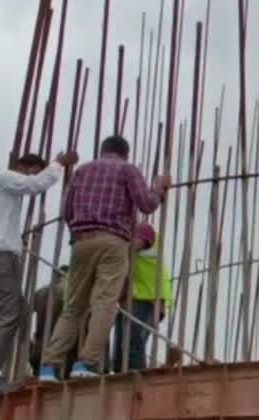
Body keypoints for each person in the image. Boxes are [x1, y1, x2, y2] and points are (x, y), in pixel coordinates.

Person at [39, 135, 171, 382]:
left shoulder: (82, 171)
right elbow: (146, 204)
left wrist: (80, 233)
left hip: (81, 241)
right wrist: (158, 188)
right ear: (125, 153)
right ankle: (86, 363)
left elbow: (68, 211)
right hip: (113, 242)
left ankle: (48, 365)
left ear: (103, 150)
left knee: (73, 307)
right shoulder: (127, 170)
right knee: (103, 305)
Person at [0, 150, 77, 393]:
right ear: (25, 167)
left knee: (10, 312)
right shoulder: (4, 177)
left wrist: (15, 243)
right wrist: (58, 165)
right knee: (9, 314)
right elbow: (36, 185)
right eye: (34, 170)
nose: (34, 175)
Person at [112, 222, 173, 372]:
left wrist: (105, 250)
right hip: (134, 299)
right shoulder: (123, 241)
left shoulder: (143, 229)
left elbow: (132, 247)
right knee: (119, 349)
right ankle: (121, 378)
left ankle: (137, 381)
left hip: (149, 299)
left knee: (133, 344)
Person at [29, 265, 77, 377]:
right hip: (61, 352)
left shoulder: (40, 292)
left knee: (41, 385)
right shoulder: (67, 290)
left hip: (39, 348)